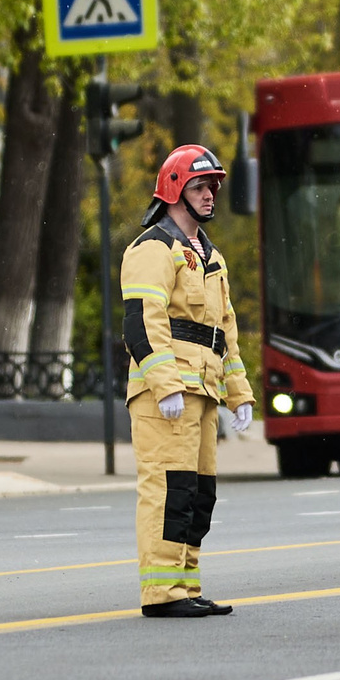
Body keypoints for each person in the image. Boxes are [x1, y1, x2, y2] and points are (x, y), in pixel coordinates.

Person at [119, 145, 255, 617]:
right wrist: (166, 384)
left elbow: (225, 333)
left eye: (214, 186)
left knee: (198, 492)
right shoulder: (152, 248)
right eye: (200, 186)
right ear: (175, 188)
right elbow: (142, 321)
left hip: (203, 390)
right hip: (168, 393)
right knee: (168, 488)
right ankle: (162, 592)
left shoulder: (208, 257)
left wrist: (239, 395)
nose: (210, 194)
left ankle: (185, 584)